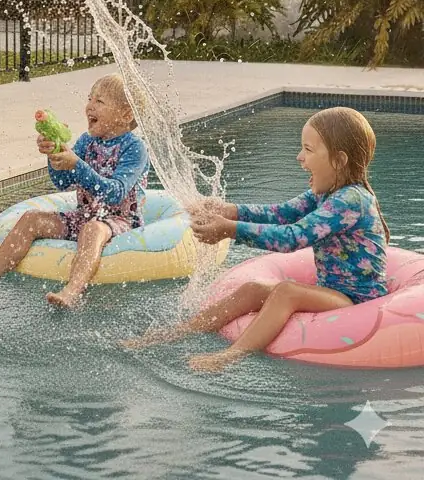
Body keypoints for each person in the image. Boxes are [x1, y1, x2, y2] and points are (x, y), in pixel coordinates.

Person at [122, 106, 389, 372]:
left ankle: (229, 356)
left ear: (339, 160)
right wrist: (227, 210)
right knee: (253, 289)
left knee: (286, 291)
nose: (299, 157)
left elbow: (293, 237)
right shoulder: (325, 193)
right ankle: (178, 332)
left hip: (356, 300)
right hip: (331, 290)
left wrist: (230, 229)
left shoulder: (351, 200)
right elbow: (281, 214)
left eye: (308, 150)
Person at [0, 74, 149, 310]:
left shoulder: (134, 148)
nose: (89, 106)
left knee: (93, 229)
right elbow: (62, 182)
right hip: (85, 215)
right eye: (89, 99)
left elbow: (115, 194)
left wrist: (77, 164)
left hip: (120, 221)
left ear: (126, 115)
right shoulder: (87, 141)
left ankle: (73, 290)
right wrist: (53, 156)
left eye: (100, 102)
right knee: (31, 219)